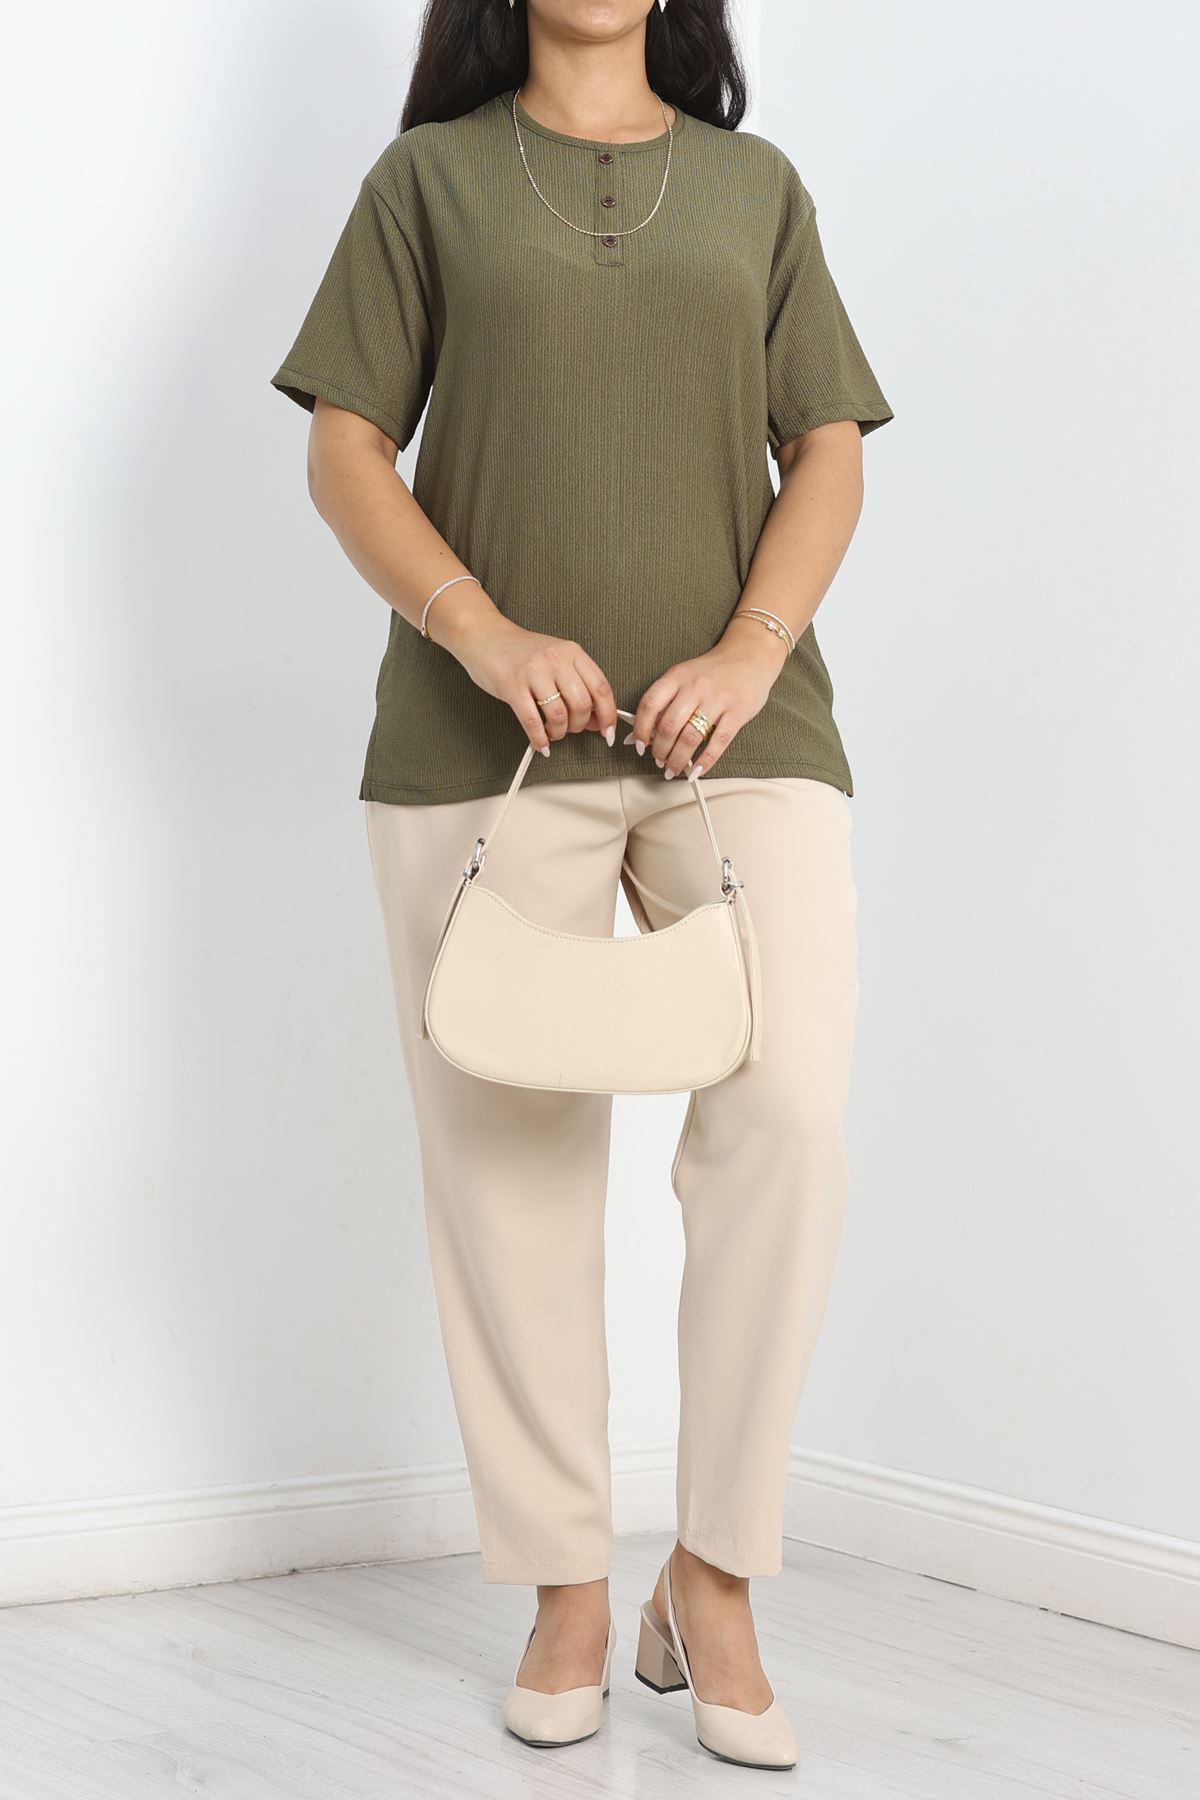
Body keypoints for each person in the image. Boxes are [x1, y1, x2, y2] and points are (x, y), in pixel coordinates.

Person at [269, 0, 893, 1771]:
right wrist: (480, 633)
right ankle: (561, 1583)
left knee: (787, 1113)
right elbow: (344, 446)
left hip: (737, 735)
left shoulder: (756, 189)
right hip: (485, 750)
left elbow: (829, 444)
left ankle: (716, 1573)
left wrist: (752, 651)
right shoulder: (428, 182)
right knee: (506, 1164)